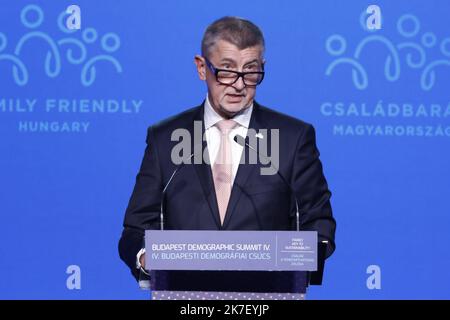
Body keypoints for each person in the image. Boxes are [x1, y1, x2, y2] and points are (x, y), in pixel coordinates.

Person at [119, 16, 336, 292]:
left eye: (250, 71)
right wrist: (146, 257)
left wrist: (299, 256)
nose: (238, 84)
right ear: (201, 68)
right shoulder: (165, 139)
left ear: (262, 69)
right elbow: (135, 229)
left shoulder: (292, 138)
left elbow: (319, 223)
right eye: (226, 70)